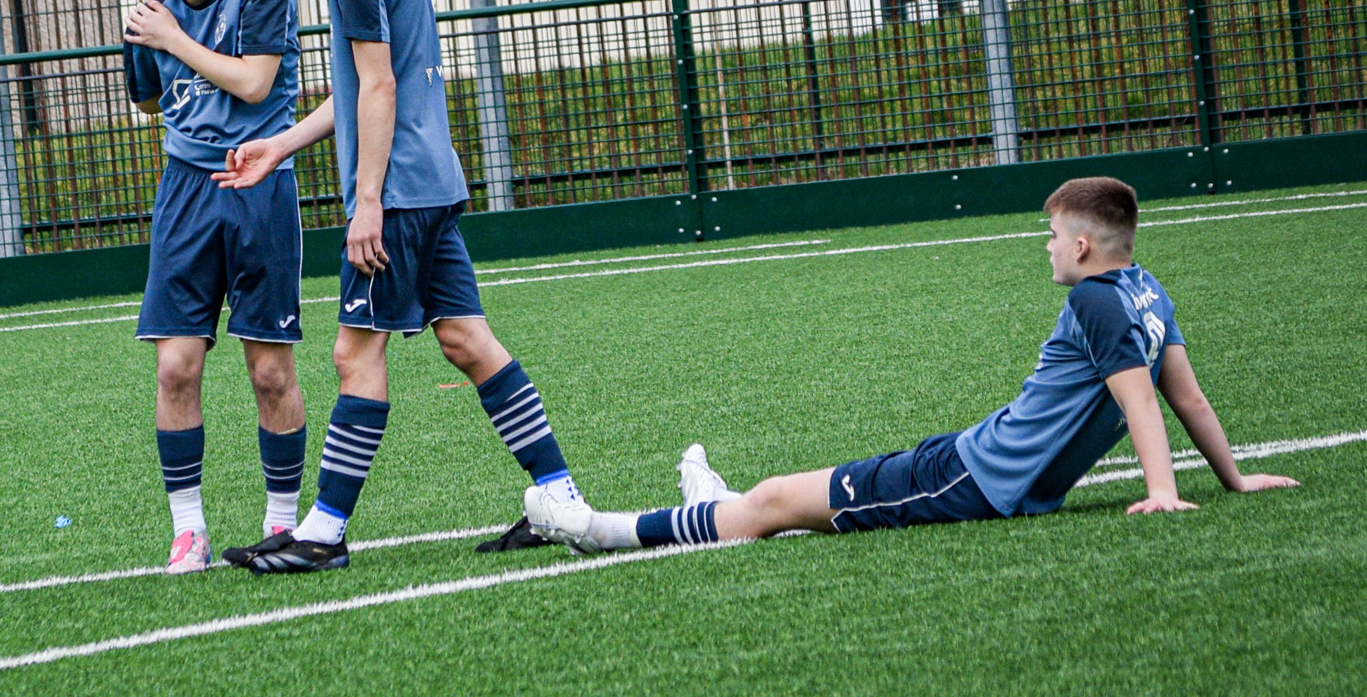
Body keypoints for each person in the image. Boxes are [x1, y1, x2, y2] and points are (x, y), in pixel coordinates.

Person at [526, 176, 1301, 555]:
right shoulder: (1146, 289)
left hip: (970, 478)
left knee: (771, 504)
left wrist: (1163, 492)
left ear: (1082, 247)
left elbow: (1142, 403)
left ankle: (600, 529)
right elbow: (1188, 398)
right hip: (984, 468)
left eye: (1050, 234)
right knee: (784, 500)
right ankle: (709, 501)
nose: (1045, 246)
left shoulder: (1095, 301)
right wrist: (1233, 478)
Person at [215, 0, 585, 572]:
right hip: (432, 179)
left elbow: (377, 87)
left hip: (402, 194)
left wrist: (368, 202)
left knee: (355, 358)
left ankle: (320, 534)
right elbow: (363, 87)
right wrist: (279, 145)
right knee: (466, 340)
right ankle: (563, 501)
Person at [123, 0, 307, 573]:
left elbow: (258, 84)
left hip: (260, 189)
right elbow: (147, 99)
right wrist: (167, 52)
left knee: (268, 371)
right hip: (185, 196)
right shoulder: (149, 18)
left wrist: (174, 37)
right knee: (175, 365)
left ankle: (282, 524)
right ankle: (189, 531)